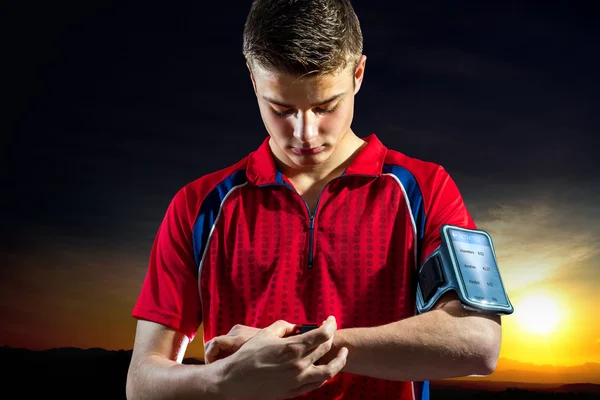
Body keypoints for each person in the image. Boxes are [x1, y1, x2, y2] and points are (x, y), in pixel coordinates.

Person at [125, 1, 503, 399]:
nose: (305, 133)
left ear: (357, 73)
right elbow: (141, 382)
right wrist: (221, 381)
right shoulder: (197, 205)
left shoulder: (425, 188)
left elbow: (478, 341)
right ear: (254, 80)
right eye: (281, 108)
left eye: (325, 107)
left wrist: (297, 346)